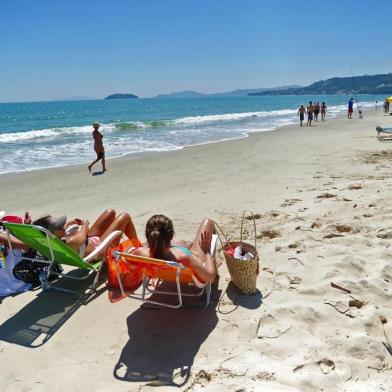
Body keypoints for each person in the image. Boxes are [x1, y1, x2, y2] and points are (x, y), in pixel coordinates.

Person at [130, 215, 218, 283]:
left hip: (166, 258)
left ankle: (188, 244)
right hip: (193, 258)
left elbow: (126, 261)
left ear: (148, 237)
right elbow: (210, 278)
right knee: (208, 222)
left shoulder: (139, 253)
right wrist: (207, 251)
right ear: (171, 236)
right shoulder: (184, 258)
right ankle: (191, 245)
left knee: (183, 243)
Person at [33, 209, 136, 259]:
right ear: (52, 233)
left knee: (110, 212)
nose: (63, 226)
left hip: (89, 243)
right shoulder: (71, 242)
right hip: (100, 249)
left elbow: (61, 232)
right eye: (59, 226)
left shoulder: (54, 240)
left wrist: (68, 223)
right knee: (125, 216)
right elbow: (83, 233)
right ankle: (136, 246)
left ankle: (135, 243)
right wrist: (85, 223)